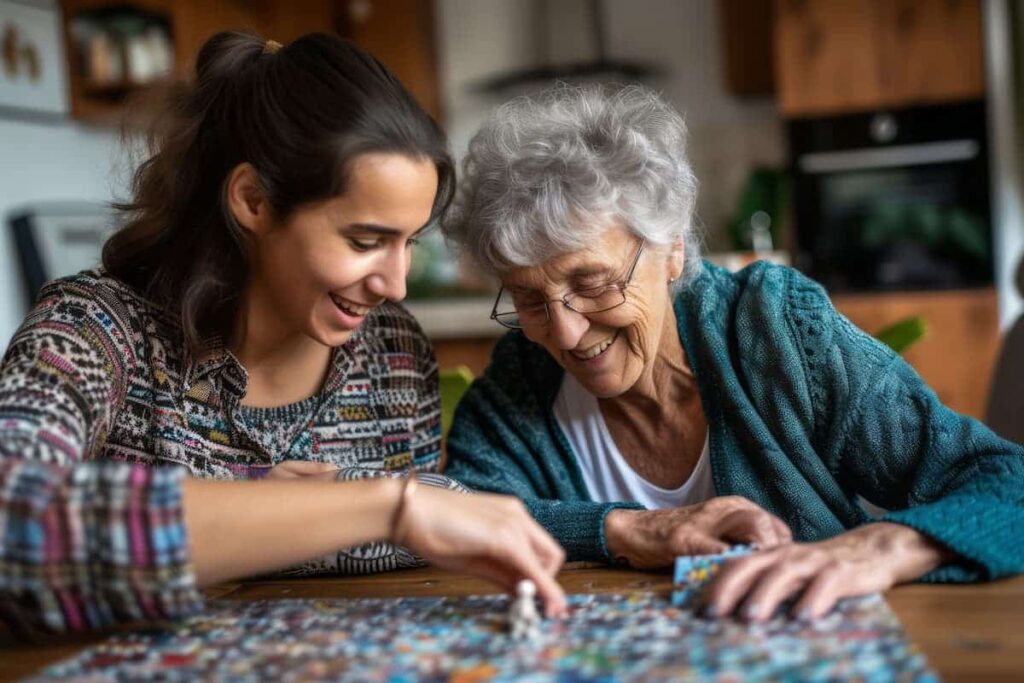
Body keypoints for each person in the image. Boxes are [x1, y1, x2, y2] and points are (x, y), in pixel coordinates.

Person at [0, 32, 566, 635]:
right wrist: (380, 504)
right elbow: (15, 518)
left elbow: (429, 522)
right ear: (253, 200)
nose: (396, 284)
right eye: (365, 241)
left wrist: (284, 508)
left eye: (410, 242)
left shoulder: (393, 351)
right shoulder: (94, 328)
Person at [441, 83, 1024, 622]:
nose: (564, 334)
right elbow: (455, 519)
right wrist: (626, 529)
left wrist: (881, 546)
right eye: (529, 298)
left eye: (593, 284)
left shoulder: (777, 330)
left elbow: (1007, 479)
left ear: (670, 250)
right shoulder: (520, 377)